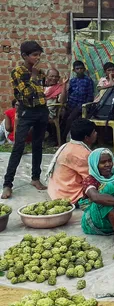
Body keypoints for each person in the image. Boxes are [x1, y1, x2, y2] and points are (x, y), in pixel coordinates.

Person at [2, 41, 48, 199]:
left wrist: (39, 78)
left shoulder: (39, 72)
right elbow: (27, 93)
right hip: (26, 112)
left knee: (37, 145)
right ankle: (8, 184)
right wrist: (34, 78)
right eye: (34, 55)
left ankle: (35, 178)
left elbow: (43, 91)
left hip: (41, 111)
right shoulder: (18, 72)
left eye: (39, 55)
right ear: (24, 56)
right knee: (19, 146)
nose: (38, 57)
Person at [47, 119, 97, 204]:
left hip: (55, 191)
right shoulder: (82, 154)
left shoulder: (67, 146)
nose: (96, 134)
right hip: (69, 197)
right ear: (86, 138)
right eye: (94, 132)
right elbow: (91, 178)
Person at [60, 60, 94, 144]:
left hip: (81, 106)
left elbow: (90, 96)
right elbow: (69, 94)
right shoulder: (72, 81)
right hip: (71, 104)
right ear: (74, 70)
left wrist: (85, 106)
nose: (79, 70)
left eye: (81, 68)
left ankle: (63, 140)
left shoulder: (88, 80)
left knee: (70, 119)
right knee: (62, 118)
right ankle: (58, 139)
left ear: (84, 69)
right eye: (77, 69)